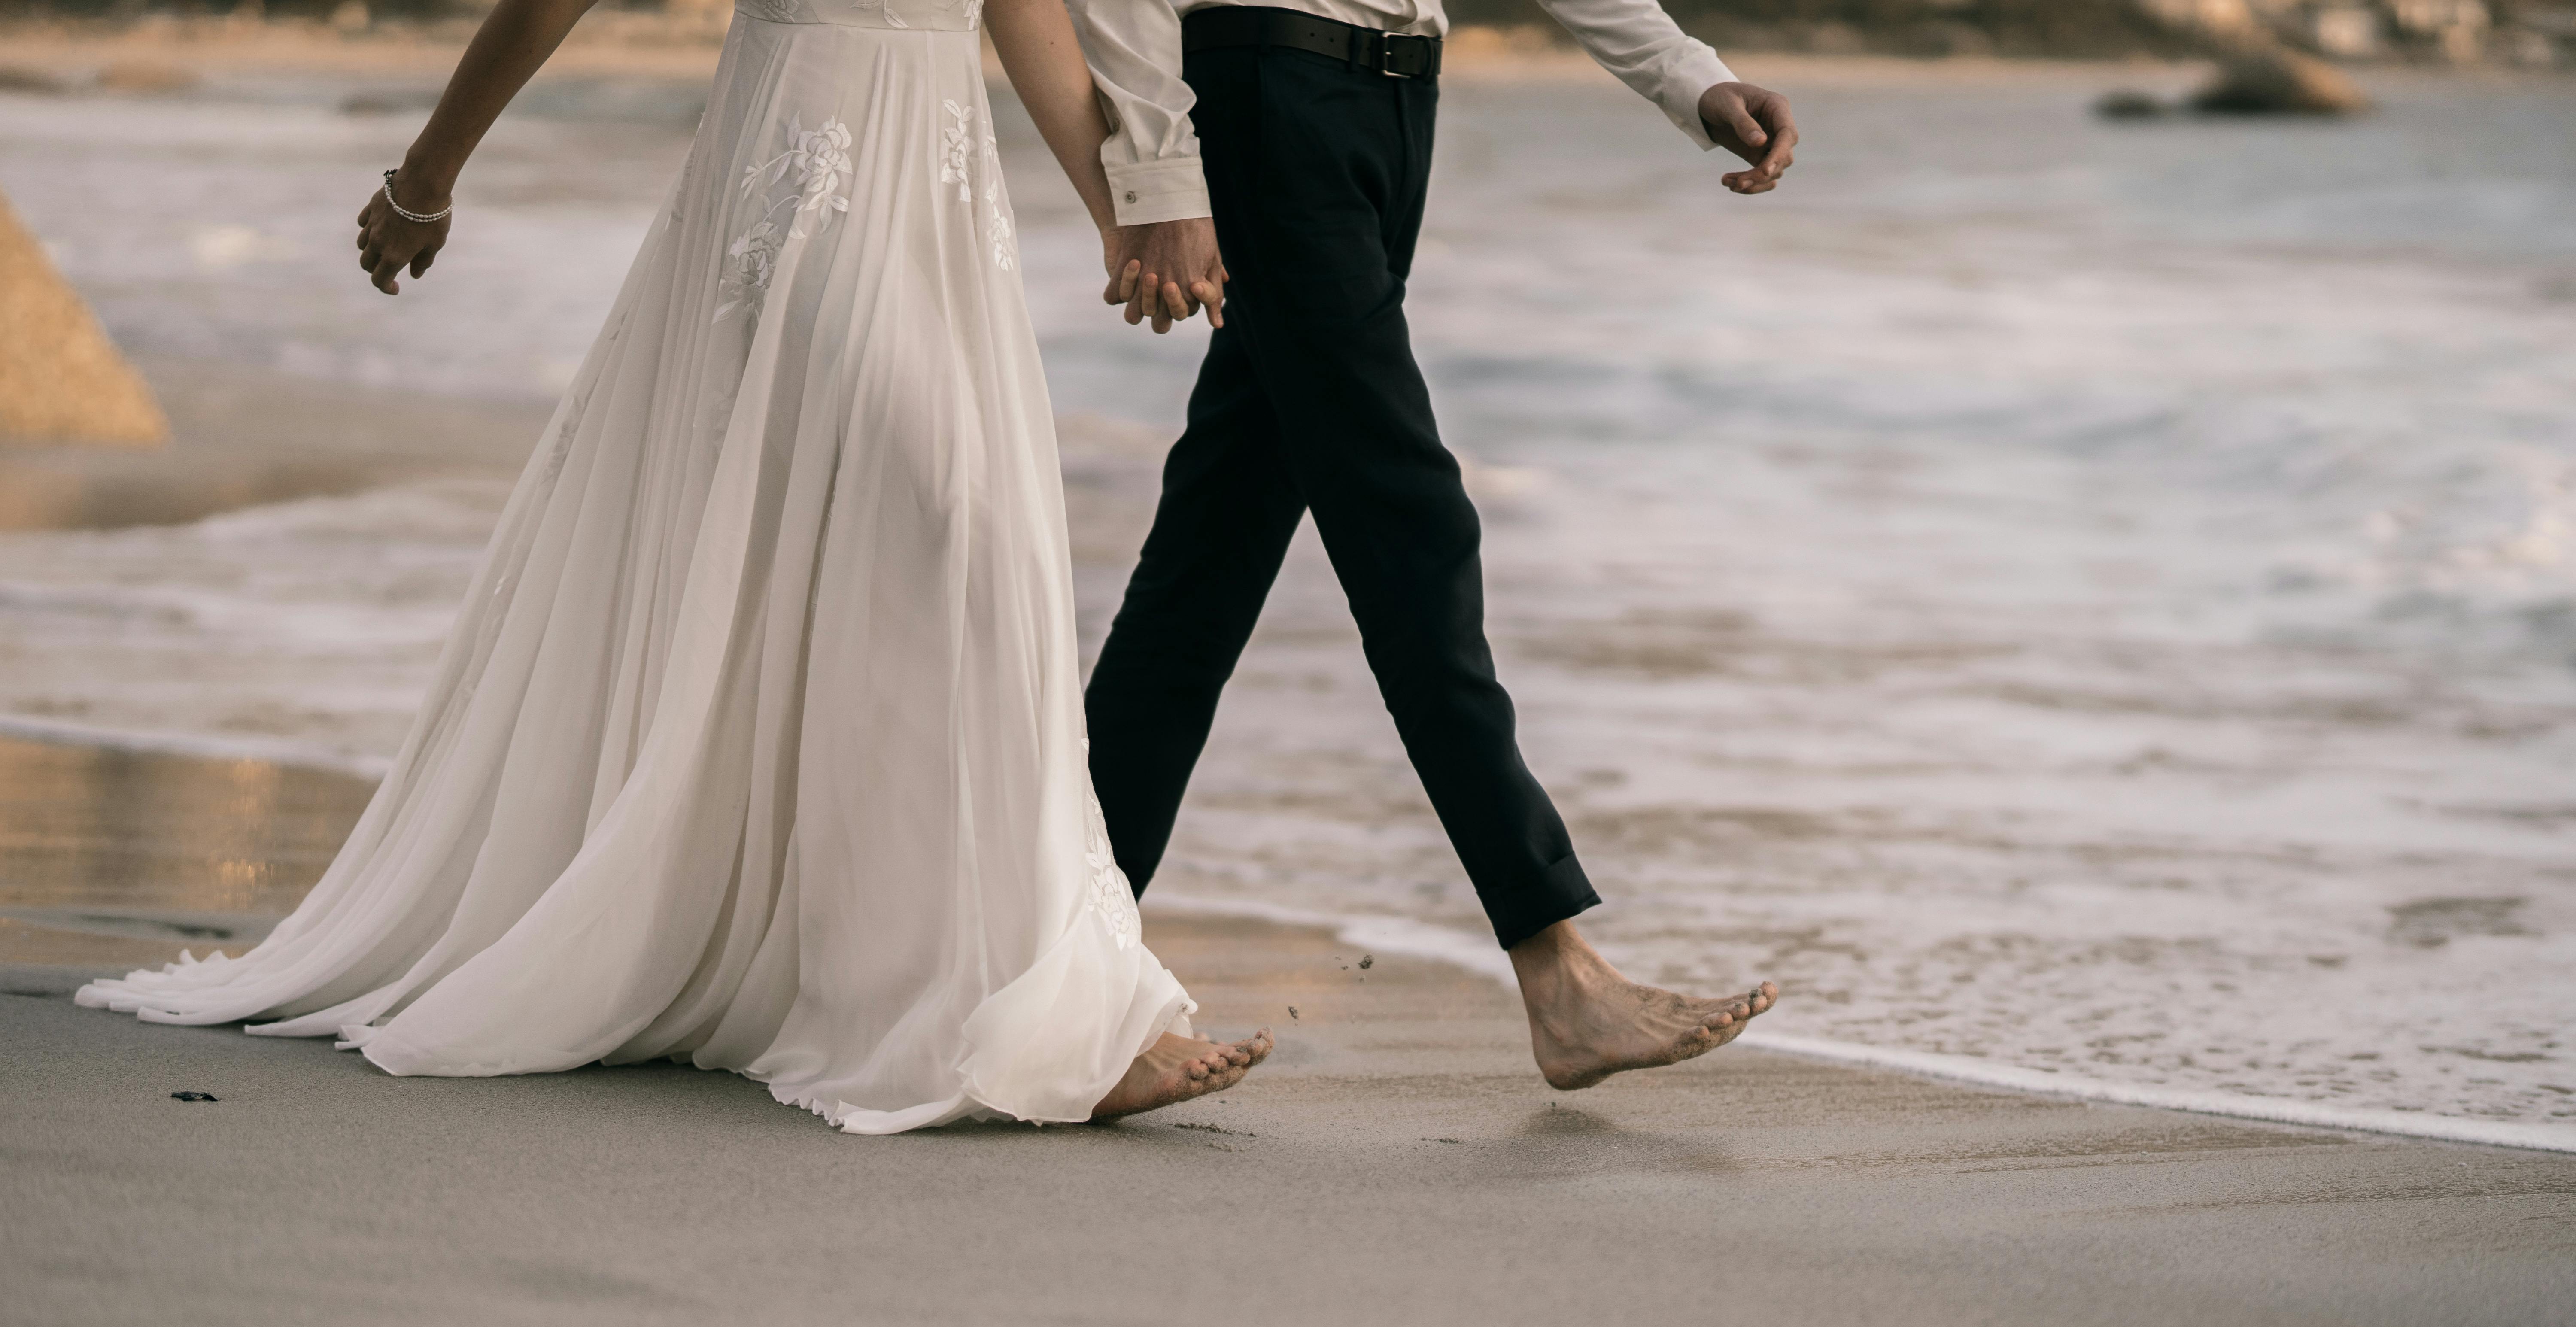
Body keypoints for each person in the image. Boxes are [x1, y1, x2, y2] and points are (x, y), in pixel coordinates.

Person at [76, 0, 1271, 1131]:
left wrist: (1121, 213)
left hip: (943, 199)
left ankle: (1008, 992)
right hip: (797, 179)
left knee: (976, 548)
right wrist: (429, 173)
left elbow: (1022, 7)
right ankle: (1004, 1009)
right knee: (952, 520)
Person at [1066, 0, 1794, 1089]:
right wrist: (1162, 175)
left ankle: (1056, 965)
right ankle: (1559, 970)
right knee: (1410, 521)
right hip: (1270, 94)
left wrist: (1686, 77)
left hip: (1392, 107)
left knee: (1210, 557)